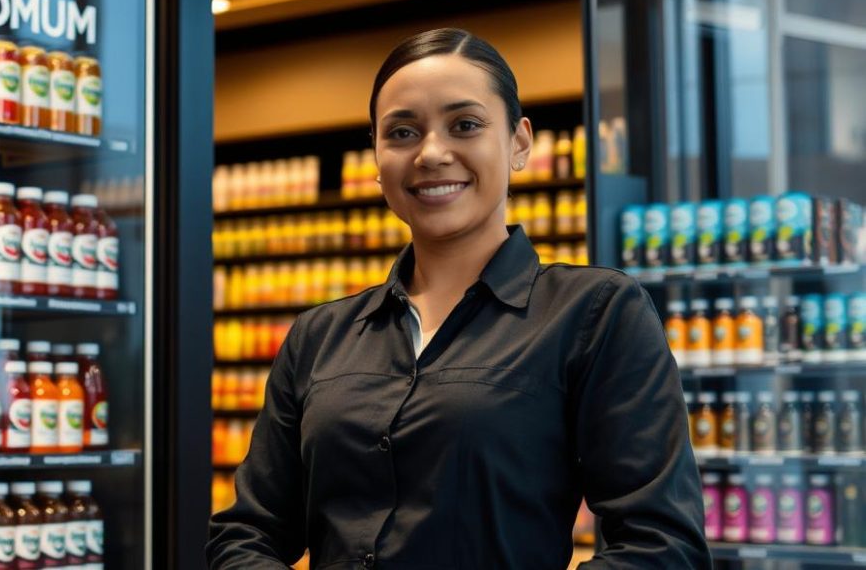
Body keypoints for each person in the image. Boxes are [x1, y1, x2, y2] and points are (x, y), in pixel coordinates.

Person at [207, 28, 709, 568]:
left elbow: (661, 547)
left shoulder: (596, 312)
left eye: (465, 125)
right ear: (376, 155)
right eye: (401, 132)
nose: (431, 153)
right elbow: (246, 532)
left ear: (519, 143)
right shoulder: (319, 335)